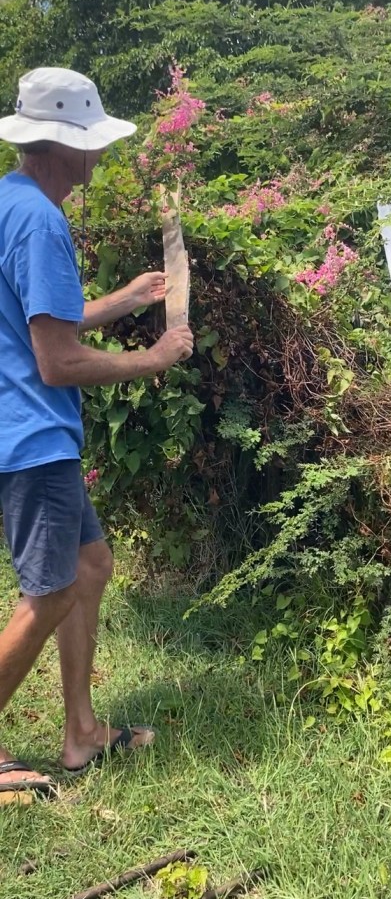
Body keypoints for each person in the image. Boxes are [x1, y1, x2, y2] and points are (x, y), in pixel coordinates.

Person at [0, 67, 193, 801]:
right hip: (32, 433)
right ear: (63, 145)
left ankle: (81, 732)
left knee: (90, 564)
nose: (100, 154)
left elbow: (46, 317)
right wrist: (154, 357)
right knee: (50, 592)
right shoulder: (40, 221)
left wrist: (127, 298)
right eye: (92, 141)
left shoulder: (11, 202)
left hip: (23, 427)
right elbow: (58, 361)